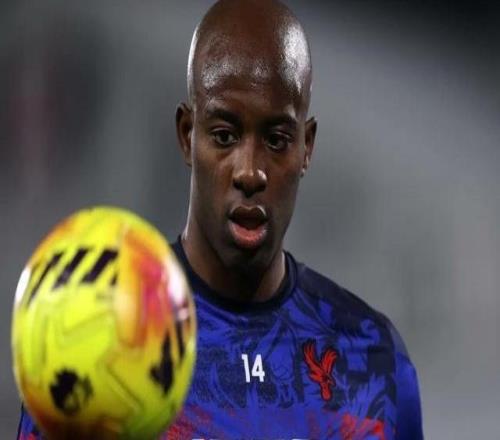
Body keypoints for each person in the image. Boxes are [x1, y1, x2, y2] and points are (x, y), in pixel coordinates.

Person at [18, 0, 423, 438]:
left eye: (277, 140)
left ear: (306, 147)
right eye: (225, 136)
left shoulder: (373, 359)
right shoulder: (92, 345)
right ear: (187, 135)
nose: (249, 172)